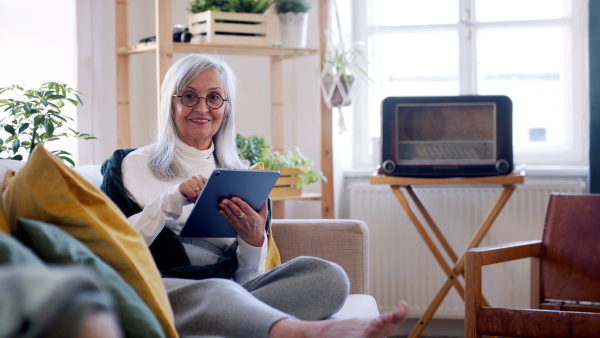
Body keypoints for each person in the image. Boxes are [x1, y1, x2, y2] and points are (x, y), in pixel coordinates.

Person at [102, 53, 409, 337]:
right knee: (217, 291)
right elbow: (114, 250)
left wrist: (253, 241)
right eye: (189, 96)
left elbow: (247, 280)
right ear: (171, 103)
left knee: (330, 277)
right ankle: (296, 329)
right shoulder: (131, 165)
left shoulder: (238, 174)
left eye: (214, 98)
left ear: (226, 108)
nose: (202, 108)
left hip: (231, 289)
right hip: (163, 287)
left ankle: (228, 318)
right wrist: (170, 200)